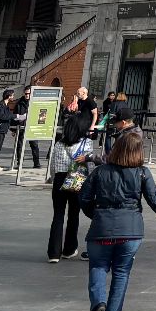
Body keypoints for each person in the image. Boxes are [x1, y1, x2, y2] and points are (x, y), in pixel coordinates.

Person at [79, 131, 156, 311]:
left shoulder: (100, 171)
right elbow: (155, 200)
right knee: (121, 272)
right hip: (130, 231)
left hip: (101, 228)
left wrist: (97, 215)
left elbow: (84, 198)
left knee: (98, 267)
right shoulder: (142, 172)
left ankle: (98, 303)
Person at [48, 109, 99, 262]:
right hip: (77, 179)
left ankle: (53, 253)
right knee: (73, 214)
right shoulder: (87, 142)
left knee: (58, 215)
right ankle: (69, 249)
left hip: (59, 178)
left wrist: (52, 178)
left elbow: (53, 165)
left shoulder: (59, 143)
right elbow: (90, 166)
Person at [13, 89, 42, 170]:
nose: (27, 95)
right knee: (20, 146)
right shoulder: (19, 103)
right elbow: (14, 115)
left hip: (32, 127)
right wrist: (13, 129)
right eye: (26, 93)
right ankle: (19, 163)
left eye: (28, 93)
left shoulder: (35, 102)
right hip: (22, 127)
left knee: (34, 145)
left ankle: (37, 163)